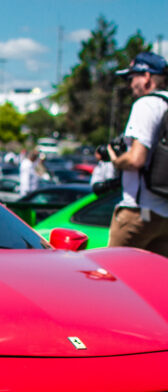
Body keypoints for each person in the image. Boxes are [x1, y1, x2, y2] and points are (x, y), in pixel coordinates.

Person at [107, 51, 168, 255]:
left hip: (139, 211)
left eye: (132, 77)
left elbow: (136, 159)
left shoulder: (146, 104)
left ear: (147, 77)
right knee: (156, 283)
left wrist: (116, 160)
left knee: (115, 277)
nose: (129, 84)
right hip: (165, 214)